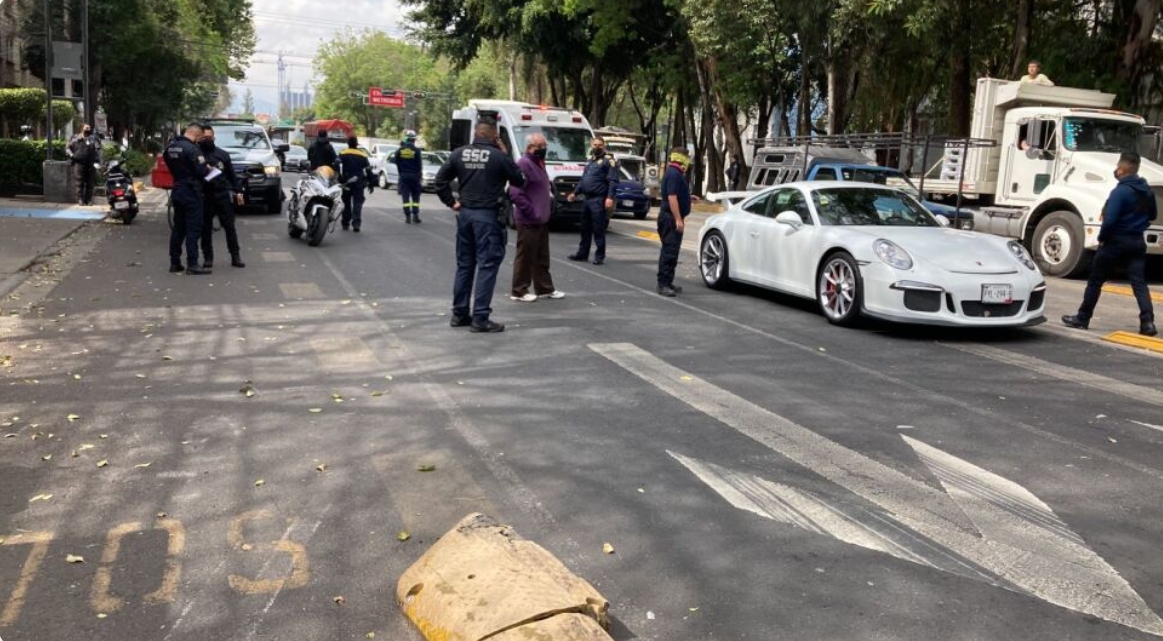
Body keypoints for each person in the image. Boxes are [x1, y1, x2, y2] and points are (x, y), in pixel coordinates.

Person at [434, 120, 526, 333]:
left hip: (465, 215)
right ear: (495, 137)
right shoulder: (498, 156)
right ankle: (481, 317)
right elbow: (519, 180)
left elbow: (440, 181)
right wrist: (505, 153)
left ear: (476, 134)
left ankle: (459, 314)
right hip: (487, 216)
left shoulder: (459, 153)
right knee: (487, 265)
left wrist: (451, 202)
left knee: (465, 265)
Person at [1062, 152, 1157, 336]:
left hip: (1115, 241)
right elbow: (1152, 215)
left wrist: (1102, 238)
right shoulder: (1147, 192)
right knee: (1139, 283)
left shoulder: (1120, 191)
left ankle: (1083, 317)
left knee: (1096, 281)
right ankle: (1147, 323)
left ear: (1121, 169)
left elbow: (1110, 219)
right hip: (1137, 241)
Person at [509, 133, 564, 302]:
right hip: (528, 220)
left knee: (541, 257)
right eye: (539, 146)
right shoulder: (524, 164)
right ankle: (519, 291)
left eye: (544, 146)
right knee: (525, 256)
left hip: (541, 219)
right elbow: (515, 193)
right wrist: (531, 211)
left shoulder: (539, 163)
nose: (543, 150)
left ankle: (544, 288)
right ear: (530, 147)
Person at [165, 122, 212, 275]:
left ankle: (175, 262)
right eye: (200, 137)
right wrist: (208, 169)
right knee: (193, 228)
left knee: (178, 228)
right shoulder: (193, 149)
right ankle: (192, 264)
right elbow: (201, 171)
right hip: (191, 192)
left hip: (177, 190)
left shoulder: (170, 147)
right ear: (196, 135)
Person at [197, 126, 246, 269]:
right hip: (205, 196)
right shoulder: (195, 154)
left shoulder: (223, 155)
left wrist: (238, 192)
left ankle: (235, 256)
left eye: (209, 137)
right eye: (204, 137)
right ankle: (208, 258)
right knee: (205, 229)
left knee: (230, 227)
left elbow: (232, 175)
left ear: (214, 138)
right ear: (200, 138)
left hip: (222, 194)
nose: (207, 140)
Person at [567, 136, 618, 265]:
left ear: (604, 146)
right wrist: (575, 193)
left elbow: (613, 181)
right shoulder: (590, 161)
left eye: (599, 145)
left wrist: (610, 198)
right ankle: (582, 253)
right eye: (595, 145)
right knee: (584, 228)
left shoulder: (609, 161)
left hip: (599, 199)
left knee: (598, 229)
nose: (597, 147)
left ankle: (599, 256)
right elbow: (583, 180)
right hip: (586, 199)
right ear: (591, 145)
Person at [657, 148, 693, 297]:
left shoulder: (676, 173)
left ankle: (668, 281)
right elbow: (672, 198)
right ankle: (663, 284)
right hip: (670, 219)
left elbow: (677, 195)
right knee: (669, 252)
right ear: (681, 157)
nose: (688, 160)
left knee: (673, 252)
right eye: (687, 157)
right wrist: (678, 219)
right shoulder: (673, 174)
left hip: (671, 218)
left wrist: (689, 197)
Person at [337, 136, 375, 232]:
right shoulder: (362, 155)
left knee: (346, 203)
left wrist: (339, 177)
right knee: (357, 203)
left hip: (346, 182)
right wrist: (371, 183)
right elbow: (368, 170)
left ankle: (345, 223)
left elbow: (336, 164)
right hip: (358, 183)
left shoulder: (343, 153)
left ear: (348, 144)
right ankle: (356, 223)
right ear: (356, 144)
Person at [392, 130, 424, 224]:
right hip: (415, 176)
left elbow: (396, 162)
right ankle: (416, 216)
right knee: (415, 197)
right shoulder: (416, 150)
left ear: (406, 139)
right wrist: (420, 176)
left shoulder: (400, 150)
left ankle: (407, 217)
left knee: (405, 197)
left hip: (404, 176)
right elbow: (419, 165)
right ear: (414, 140)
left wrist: (401, 173)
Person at [67, 124, 101, 205]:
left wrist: (98, 162)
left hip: (91, 164)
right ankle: (80, 199)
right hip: (79, 164)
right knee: (79, 183)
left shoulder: (94, 138)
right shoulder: (75, 138)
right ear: (82, 129)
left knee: (90, 183)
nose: (88, 129)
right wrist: (71, 155)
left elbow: (99, 150)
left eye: (89, 128)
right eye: (86, 128)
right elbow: (67, 148)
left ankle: (88, 200)